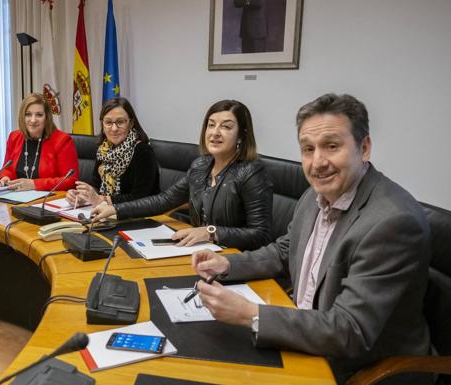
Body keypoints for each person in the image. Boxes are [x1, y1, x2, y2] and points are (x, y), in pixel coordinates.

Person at [191, 94, 431, 385]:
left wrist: (250, 314)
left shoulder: (392, 222)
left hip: (358, 366)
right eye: (308, 149)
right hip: (304, 334)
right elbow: (284, 251)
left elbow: (349, 330)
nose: (318, 162)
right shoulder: (315, 194)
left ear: (364, 148)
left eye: (332, 146)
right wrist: (226, 264)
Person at [92, 99, 272, 251]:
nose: (215, 132)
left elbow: (260, 234)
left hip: (235, 258)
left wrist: (210, 232)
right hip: (200, 252)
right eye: (211, 125)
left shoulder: (252, 173)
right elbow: (164, 200)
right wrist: (116, 209)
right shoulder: (200, 166)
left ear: (241, 136)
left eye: (226, 127)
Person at [65, 97, 159, 207]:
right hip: (108, 212)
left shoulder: (142, 151)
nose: (114, 128)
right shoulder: (103, 151)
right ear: (102, 124)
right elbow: (97, 186)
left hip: (141, 215)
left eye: (120, 122)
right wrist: (83, 196)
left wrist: (101, 199)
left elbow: (140, 198)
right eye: (108, 122)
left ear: (131, 123)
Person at [0, 93, 78, 191]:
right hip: (17, 197)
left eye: (39, 115)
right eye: (28, 114)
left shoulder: (62, 140)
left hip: (48, 200)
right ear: (22, 117)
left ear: (47, 117)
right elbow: (7, 168)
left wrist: (34, 184)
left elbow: (71, 180)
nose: (33, 120)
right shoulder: (14, 137)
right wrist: (5, 178)